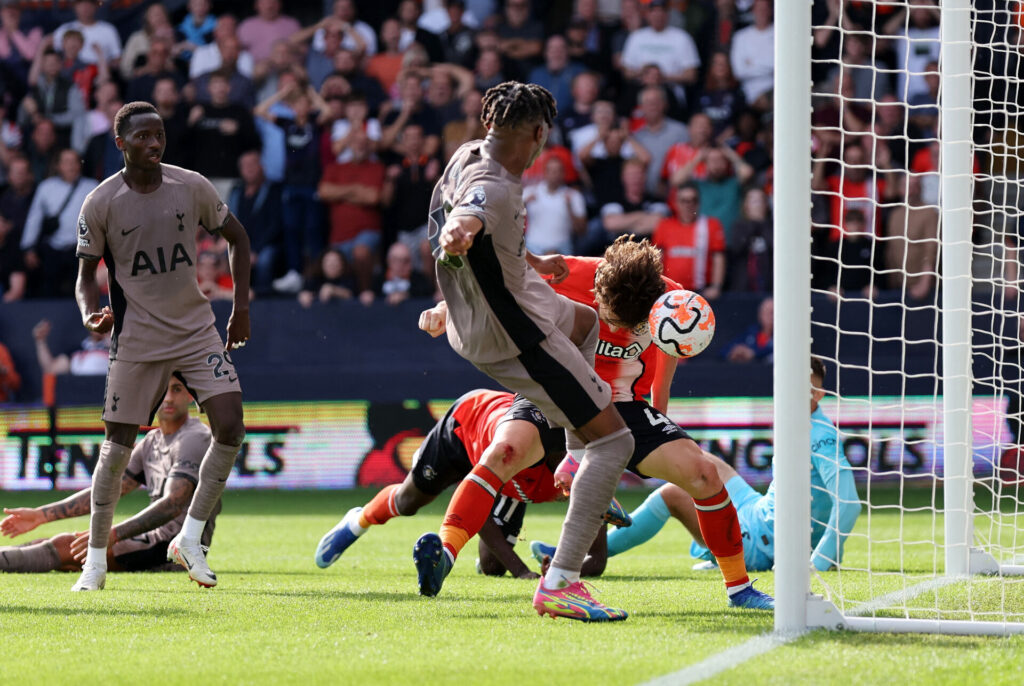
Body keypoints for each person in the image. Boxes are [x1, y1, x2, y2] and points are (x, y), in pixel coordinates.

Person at [424, 237, 774, 610]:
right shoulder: (568, 272)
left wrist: (661, 419)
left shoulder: (672, 302)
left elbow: (665, 364)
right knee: (504, 451)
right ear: (600, 288)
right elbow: (501, 284)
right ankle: (443, 554)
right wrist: (447, 308)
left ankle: (740, 589)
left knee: (704, 474)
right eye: (610, 314)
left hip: (623, 403)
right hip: (554, 388)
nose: (614, 326)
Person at [416, 81, 636, 622]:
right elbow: (468, 221)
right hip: (517, 334)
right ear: (539, 134)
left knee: (588, 322)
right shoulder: (493, 186)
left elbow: (476, 229)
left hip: (514, 297)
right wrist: (458, 242)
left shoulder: (466, 155)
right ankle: (560, 582)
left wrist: (531, 262)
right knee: (616, 443)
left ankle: (570, 459)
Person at [71, 101, 251, 592]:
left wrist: (240, 308)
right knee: (115, 450)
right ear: (121, 143)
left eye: (160, 135)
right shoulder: (101, 203)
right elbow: (86, 277)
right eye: (143, 136)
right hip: (138, 339)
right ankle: (95, 559)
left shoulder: (190, 185)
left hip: (195, 329)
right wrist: (90, 314)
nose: (153, 143)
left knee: (231, 427)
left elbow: (238, 238)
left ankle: (190, 538)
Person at [314, 389, 624, 579]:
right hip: (464, 428)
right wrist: (521, 571)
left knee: (491, 567)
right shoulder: (515, 449)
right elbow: (474, 507)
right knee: (409, 502)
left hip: (512, 474)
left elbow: (597, 560)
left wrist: (559, 569)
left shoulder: (588, 477)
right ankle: (359, 520)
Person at [594, 357, 861, 574]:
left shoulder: (821, 437)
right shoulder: (799, 419)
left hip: (762, 542)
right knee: (698, 459)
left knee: (671, 495)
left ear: (819, 395)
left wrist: (820, 560)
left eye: (806, 389)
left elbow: (848, 503)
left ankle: (594, 553)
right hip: (758, 509)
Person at [0, 379, 219, 576]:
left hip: (174, 548)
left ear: (190, 395)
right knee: (50, 544)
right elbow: (109, 490)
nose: (169, 397)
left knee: (65, 545)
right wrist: (41, 515)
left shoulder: (194, 437)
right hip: (154, 540)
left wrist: (112, 535)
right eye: (163, 390)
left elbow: (173, 504)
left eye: (177, 389)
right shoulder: (153, 440)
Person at [20, 148, 96, 297]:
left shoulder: (92, 187)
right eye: (66, 162)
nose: (71, 166)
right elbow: (34, 218)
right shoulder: (46, 187)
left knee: (82, 293)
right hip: (53, 248)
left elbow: (102, 219)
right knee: (49, 291)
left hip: (82, 250)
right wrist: (28, 247)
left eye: (75, 162)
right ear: (58, 166)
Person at [651, 183, 726, 300]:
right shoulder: (664, 226)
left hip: (700, 292)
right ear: (676, 203)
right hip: (670, 292)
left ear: (699, 203)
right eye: (684, 201)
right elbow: (657, 257)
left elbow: (718, 257)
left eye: (693, 200)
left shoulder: (711, 225)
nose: (689, 205)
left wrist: (716, 287)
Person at [32, 318, 109, 376]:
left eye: (103, 320)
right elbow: (51, 370)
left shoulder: (115, 350)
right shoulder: (76, 351)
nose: (99, 323)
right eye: (95, 319)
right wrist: (41, 341)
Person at [721, 296, 773, 363]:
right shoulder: (751, 332)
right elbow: (725, 351)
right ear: (760, 315)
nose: (771, 317)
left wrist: (754, 353)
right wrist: (735, 352)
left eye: (773, 313)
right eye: (767, 312)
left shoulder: (784, 337)